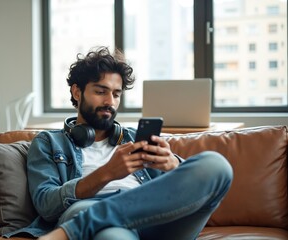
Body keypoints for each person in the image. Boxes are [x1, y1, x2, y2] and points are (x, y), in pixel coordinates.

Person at [26, 46, 233, 240]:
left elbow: (174, 192)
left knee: (216, 165)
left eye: (116, 94)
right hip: (96, 218)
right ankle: (83, 224)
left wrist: (173, 166)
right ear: (77, 92)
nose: (110, 101)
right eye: (101, 92)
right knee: (105, 232)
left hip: (154, 215)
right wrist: (107, 173)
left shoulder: (135, 138)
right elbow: (46, 204)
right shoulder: (49, 142)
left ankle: (70, 232)